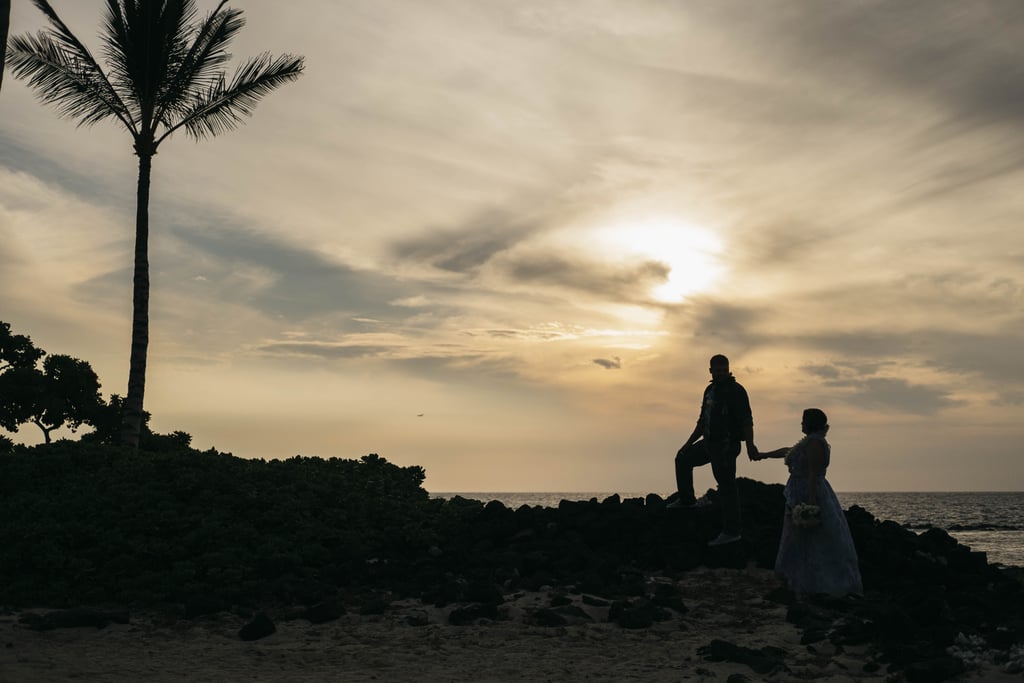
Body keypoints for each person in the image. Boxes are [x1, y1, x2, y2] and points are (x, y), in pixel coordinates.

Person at [754, 408, 863, 597]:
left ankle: (814, 583)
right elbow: (788, 452)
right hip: (799, 492)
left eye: (803, 420)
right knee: (800, 538)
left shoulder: (814, 443)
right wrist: (763, 455)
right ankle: (799, 578)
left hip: (808, 493)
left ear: (810, 423)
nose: (801, 424)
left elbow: (813, 473)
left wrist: (812, 504)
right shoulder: (809, 442)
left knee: (812, 538)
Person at [668, 354, 758, 547]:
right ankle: (687, 500)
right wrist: (687, 444)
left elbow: (747, 420)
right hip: (709, 443)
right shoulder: (709, 390)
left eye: (725, 370)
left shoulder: (737, 391)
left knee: (726, 486)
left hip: (727, 446)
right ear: (711, 371)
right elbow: (703, 421)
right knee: (682, 459)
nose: (722, 373)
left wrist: (750, 444)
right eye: (718, 370)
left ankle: (732, 531)